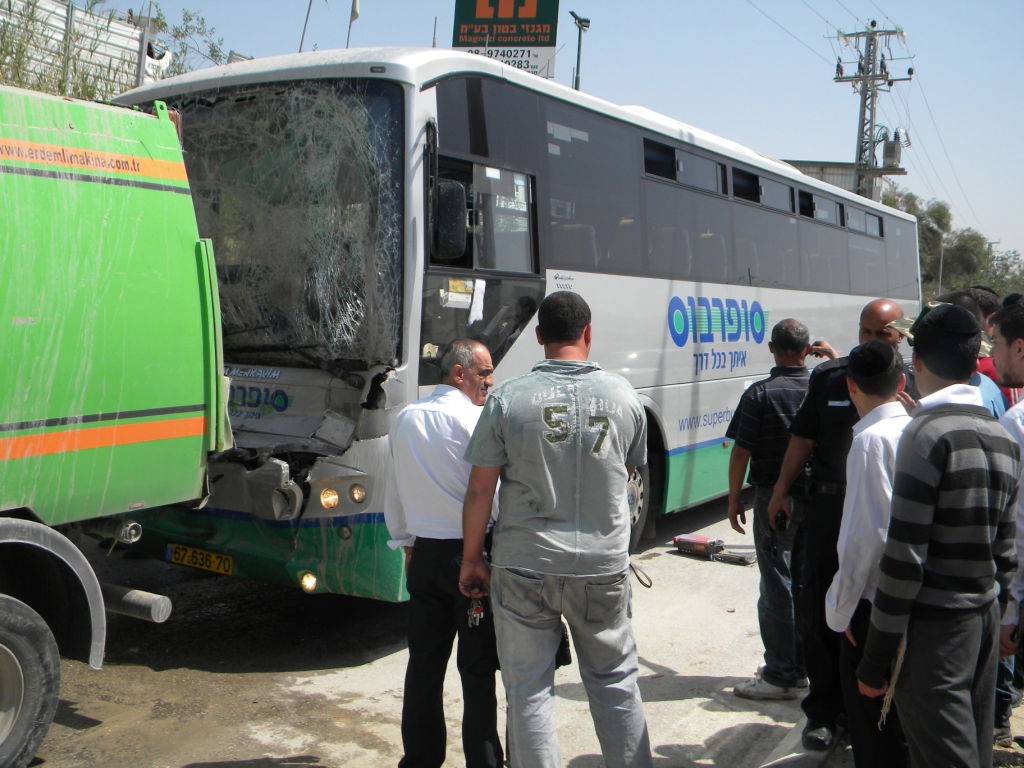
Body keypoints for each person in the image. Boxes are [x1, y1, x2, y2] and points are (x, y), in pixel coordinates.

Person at [459, 291, 652, 768]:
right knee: (615, 683)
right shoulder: (625, 397)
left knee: (528, 691)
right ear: (588, 333)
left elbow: (480, 491)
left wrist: (471, 559)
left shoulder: (507, 398)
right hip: (602, 567)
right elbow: (629, 472)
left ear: (539, 336)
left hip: (524, 564)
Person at [856, 303, 1019, 768]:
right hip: (982, 620)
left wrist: (875, 657)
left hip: (936, 631)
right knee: (974, 749)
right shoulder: (1000, 433)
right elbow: (1006, 551)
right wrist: (1004, 612)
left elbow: (904, 558)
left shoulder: (925, 435)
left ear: (918, 362)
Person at [768, 298, 912, 751]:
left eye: (882, 333)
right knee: (820, 610)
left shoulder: (910, 384)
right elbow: (803, 436)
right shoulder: (832, 377)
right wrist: (781, 489)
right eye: (865, 331)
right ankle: (825, 711)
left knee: (875, 614)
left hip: (888, 517)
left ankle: (877, 710)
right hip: (830, 508)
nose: (871, 340)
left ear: (900, 336)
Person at [384, 339, 503, 768]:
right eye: (483, 373)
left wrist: (405, 543)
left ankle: (420, 760)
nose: (490, 381)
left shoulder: (405, 419)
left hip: (424, 556)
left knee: (424, 666)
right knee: (477, 671)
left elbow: (395, 489)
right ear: (458, 373)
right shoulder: (477, 421)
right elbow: (492, 496)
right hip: (473, 559)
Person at [824, 341, 910, 767]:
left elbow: (864, 540)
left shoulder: (870, 442)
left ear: (851, 386)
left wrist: (841, 611)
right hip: (913, 605)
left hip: (874, 609)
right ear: (901, 382)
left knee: (874, 734)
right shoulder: (916, 427)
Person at [725, 319, 811, 700]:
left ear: (772, 348)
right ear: (806, 350)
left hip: (773, 501)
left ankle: (781, 674)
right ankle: (803, 666)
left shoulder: (759, 394)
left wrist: (733, 498)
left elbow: (741, 451)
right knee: (806, 582)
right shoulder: (820, 389)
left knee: (777, 584)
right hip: (815, 499)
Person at [988, 301, 1024, 743]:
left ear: (1019, 347)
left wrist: (1010, 612)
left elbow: (1017, 528)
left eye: (995, 343)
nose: (992, 355)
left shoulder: (1015, 425)